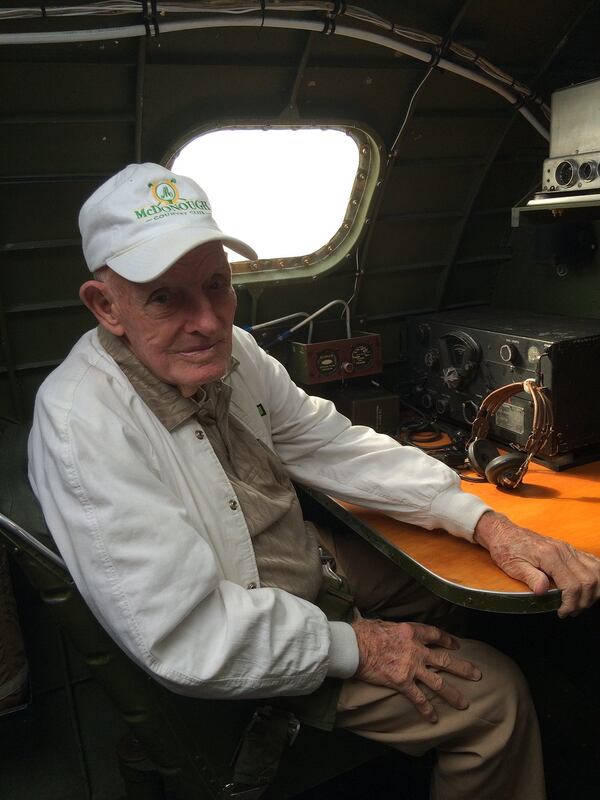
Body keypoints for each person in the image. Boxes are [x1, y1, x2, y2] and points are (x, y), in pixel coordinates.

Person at [28, 163, 600, 800]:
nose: (209, 321)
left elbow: (336, 445)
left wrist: (484, 521)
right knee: (496, 703)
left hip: (309, 566)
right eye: (165, 297)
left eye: (217, 285)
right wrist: (356, 645)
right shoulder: (84, 426)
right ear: (105, 305)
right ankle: (481, 741)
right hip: (246, 639)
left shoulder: (235, 354)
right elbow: (188, 635)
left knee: (462, 588)